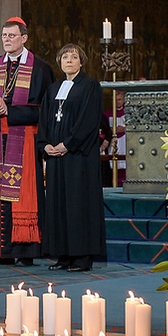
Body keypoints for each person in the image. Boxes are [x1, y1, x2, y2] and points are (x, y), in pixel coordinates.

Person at [0, 17, 54, 267]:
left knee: (20, 195)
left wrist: (10, 111)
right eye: (4, 36)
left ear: (24, 38)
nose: (6, 40)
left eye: (12, 36)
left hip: (25, 141)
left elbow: (46, 110)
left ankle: (25, 251)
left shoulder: (40, 68)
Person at [38, 44, 106, 272]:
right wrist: (45, 144)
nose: (69, 60)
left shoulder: (90, 86)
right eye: (65, 56)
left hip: (79, 158)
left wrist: (67, 144)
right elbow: (45, 119)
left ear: (81, 62)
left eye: (74, 57)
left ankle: (81, 257)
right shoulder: (53, 88)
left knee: (78, 205)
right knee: (58, 204)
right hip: (56, 157)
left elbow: (89, 121)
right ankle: (63, 255)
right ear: (59, 62)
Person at [104, 90, 126, 184]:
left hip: (125, 141)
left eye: (120, 99)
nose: (118, 102)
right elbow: (104, 129)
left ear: (124, 100)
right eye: (116, 100)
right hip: (113, 141)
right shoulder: (107, 114)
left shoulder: (129, 112)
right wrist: (112, 130)